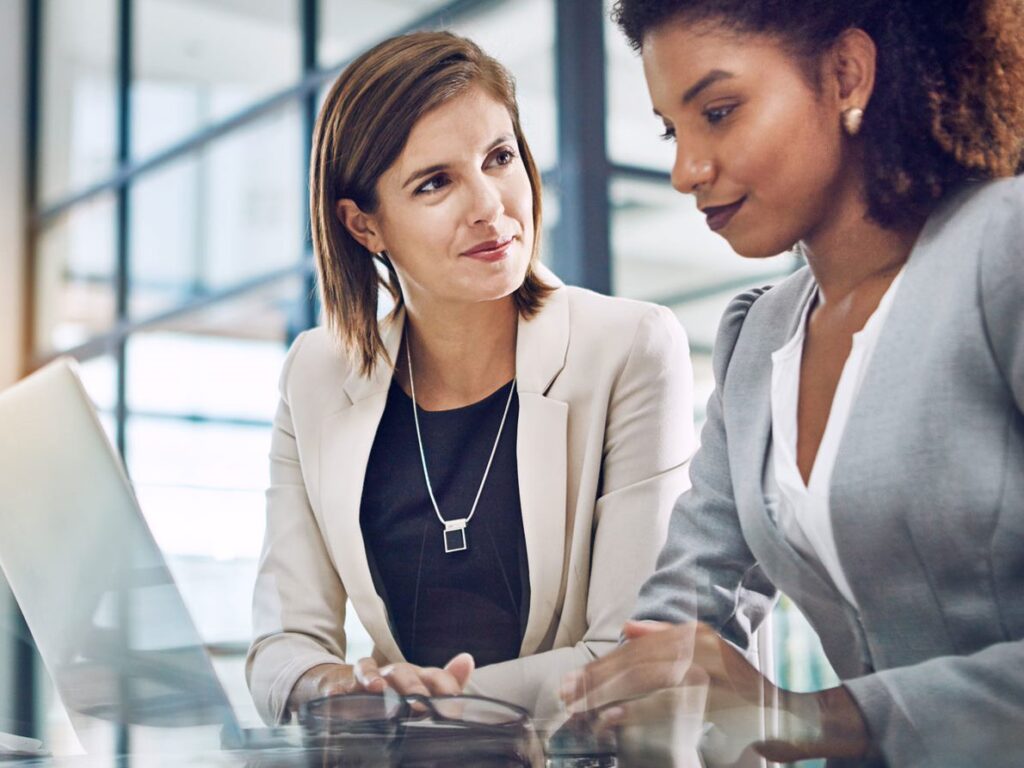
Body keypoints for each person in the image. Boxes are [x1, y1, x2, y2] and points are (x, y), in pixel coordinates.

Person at [559, 1, 1024, 766]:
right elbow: (683, 603)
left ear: (847, 74)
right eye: (673, 131)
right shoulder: (759, 339)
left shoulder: (1000, 253)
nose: (686, 172)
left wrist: (805, 717)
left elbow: (784, 716)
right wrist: (610, 702)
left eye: (719, 111)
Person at [245, 31, 696, 726]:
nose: (489, 205)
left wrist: (423, 709)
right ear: (365, 227)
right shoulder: (315, 374)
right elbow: (282, 647)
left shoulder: (629, 348)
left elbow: (622, 660)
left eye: (499, 158)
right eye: (435, 182)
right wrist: (339, 689)